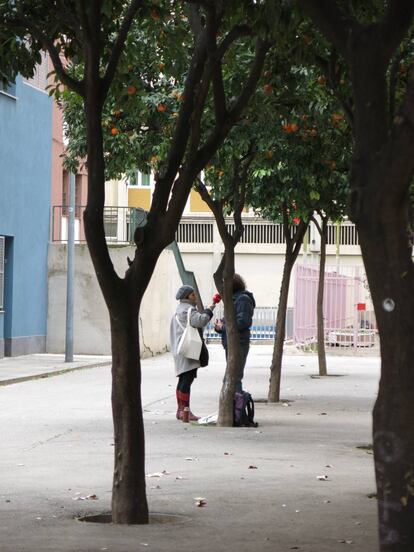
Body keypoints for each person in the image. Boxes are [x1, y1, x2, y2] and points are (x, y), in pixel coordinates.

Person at [170, 285, 216, 421]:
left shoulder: (180, 309)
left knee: (183, 379)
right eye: (193, 295)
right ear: (187, 296)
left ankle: (181, 410)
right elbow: (201, 321)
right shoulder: (187, 310)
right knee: (187, 380)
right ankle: (185, 411)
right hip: (187, 350)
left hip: (181, 349)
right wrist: (210, 310)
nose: (195, 297)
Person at [214, 274, 256, 393]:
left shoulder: (243, 299)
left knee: (234, 377)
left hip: (239, 342)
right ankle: (232, 405)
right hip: (231, 342)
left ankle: (235, 405)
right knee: (231, 376)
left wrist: (223, 327)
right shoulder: (234, 299)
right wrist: (220, 326)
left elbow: (242, 322)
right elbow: (231, 319)